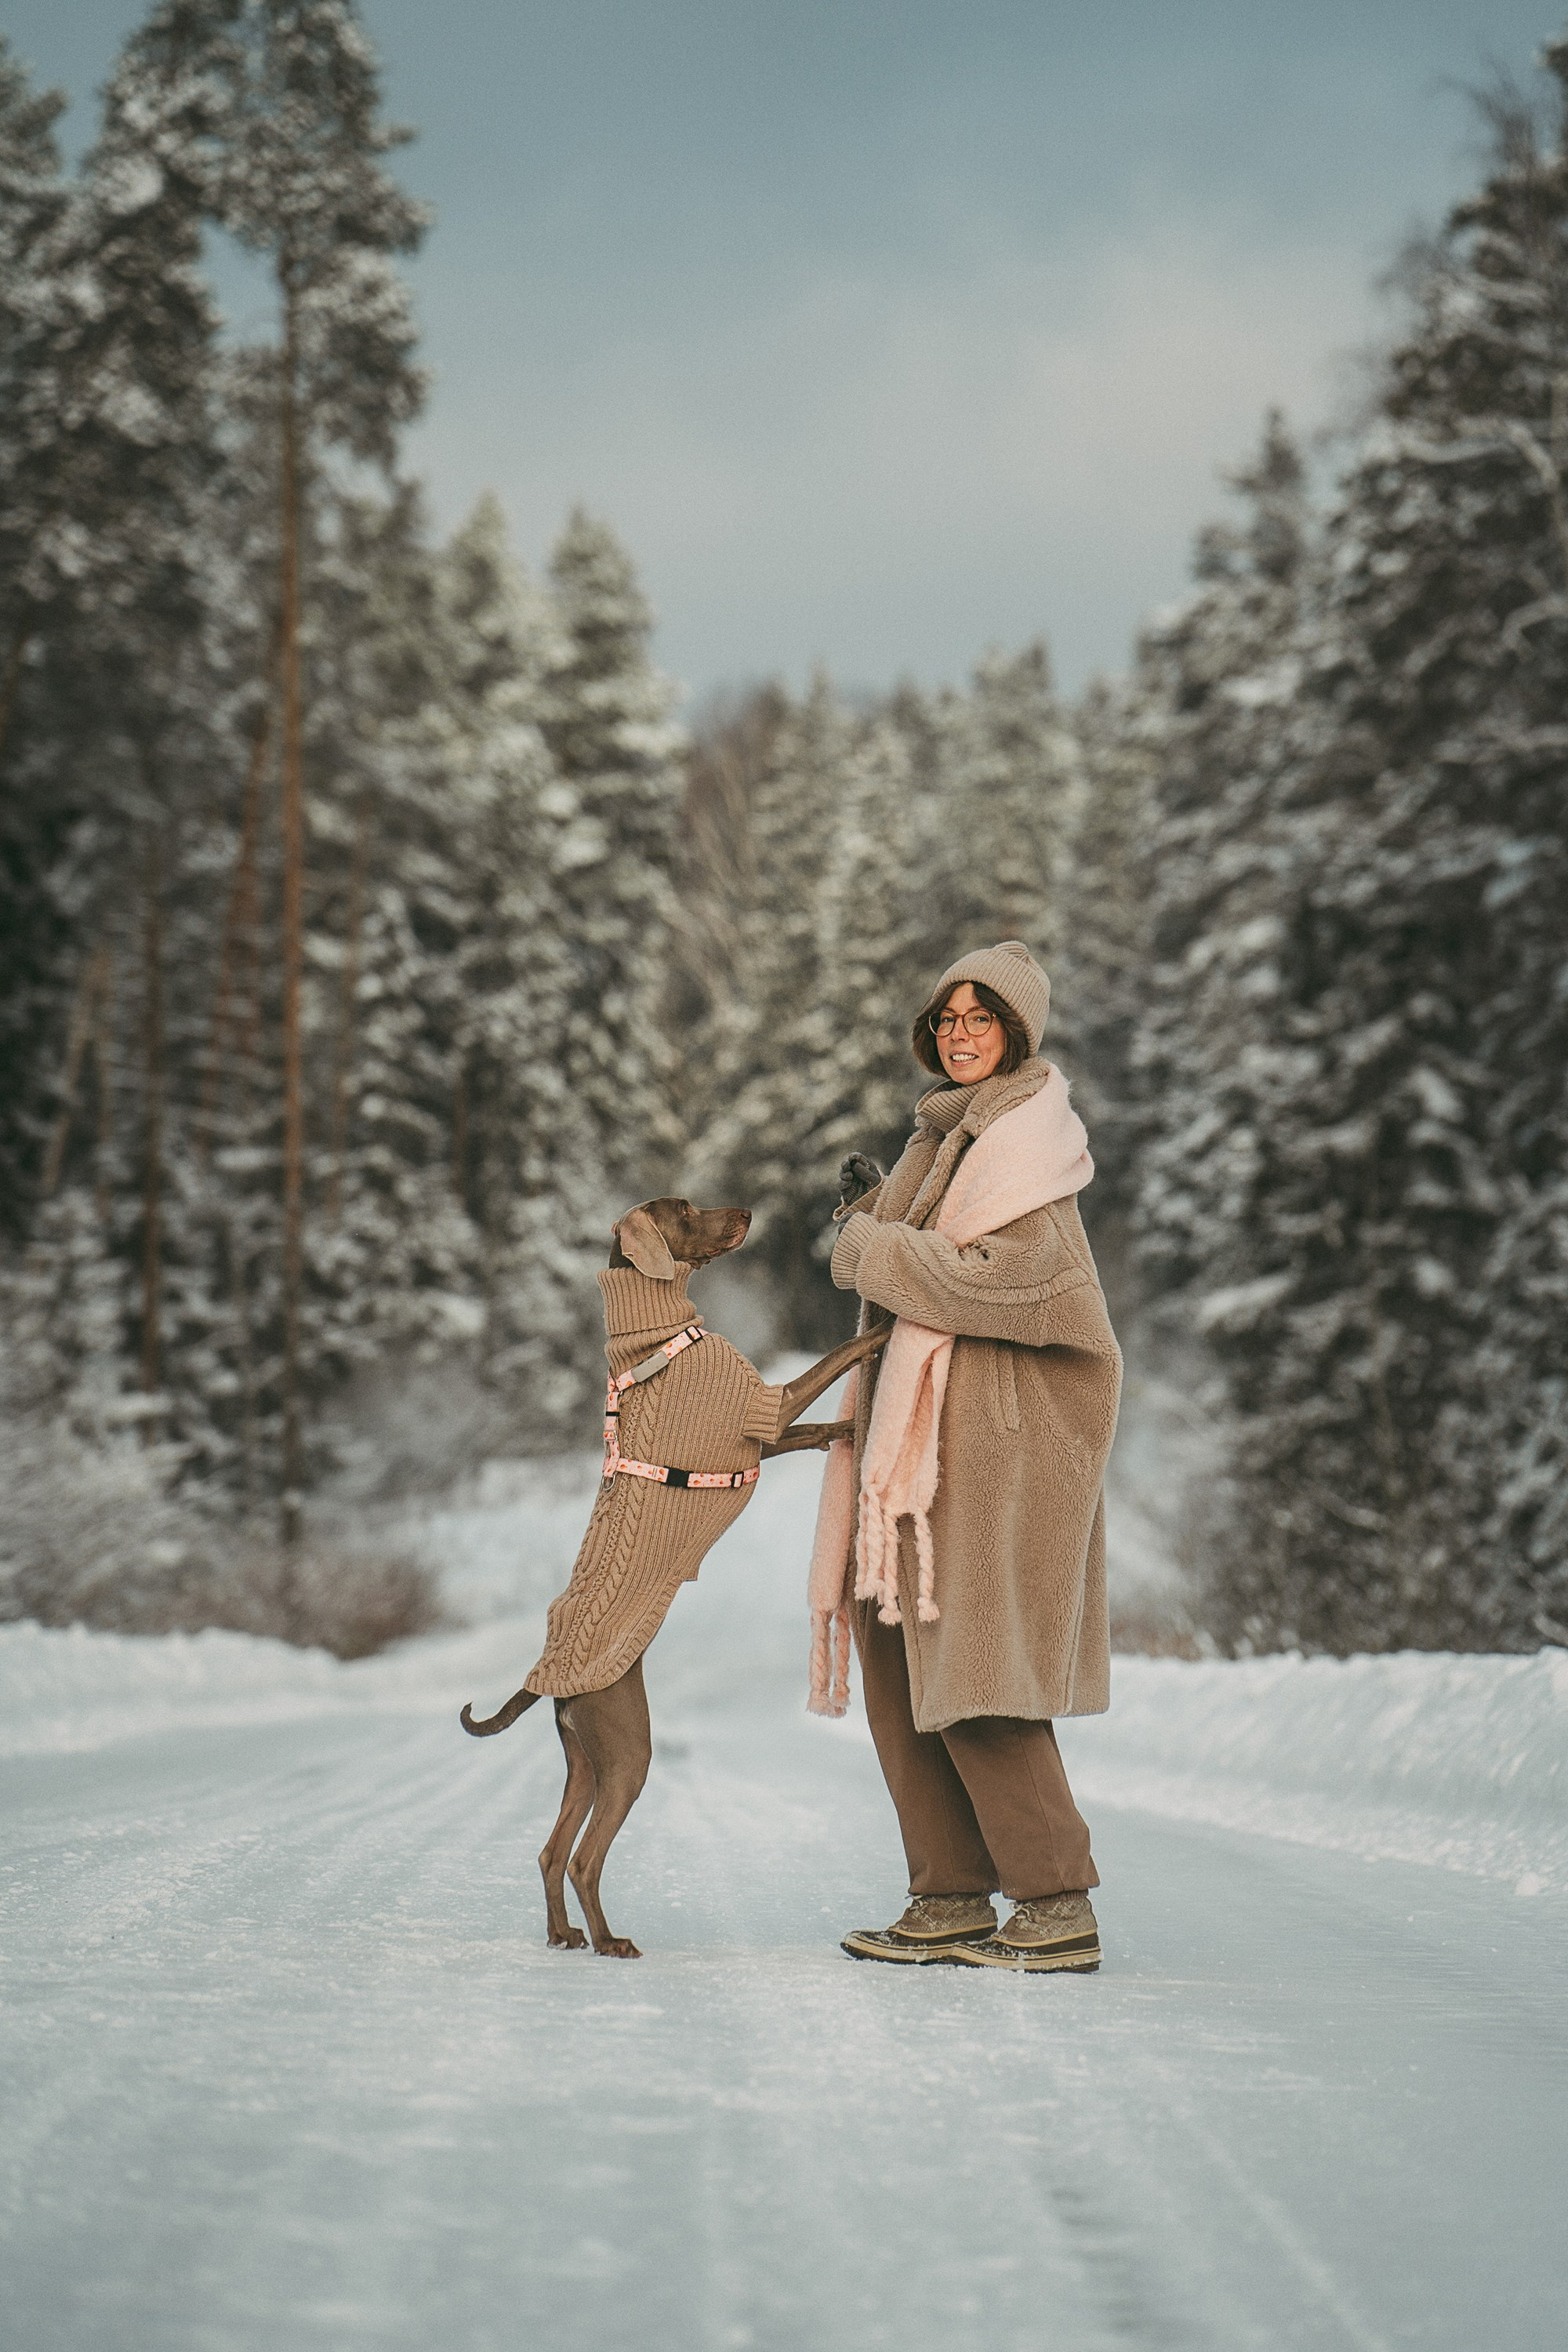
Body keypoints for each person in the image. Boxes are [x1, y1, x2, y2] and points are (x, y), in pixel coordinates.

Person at [809, 941, 1121, 1972]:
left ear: (1017, 1034)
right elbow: (917, 1268)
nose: (960, 1034)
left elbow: (1025, 1283)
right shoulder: (941, 1139)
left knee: (977, 1672)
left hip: (989, 1454)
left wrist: (869, 1246)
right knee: (903, 1663)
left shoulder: (1028, 1143)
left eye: (981, 1019)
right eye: (947, 1019)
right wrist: (873, 1222)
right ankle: (947, 1893)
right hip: (916, 1455)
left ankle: (1056, 1899)